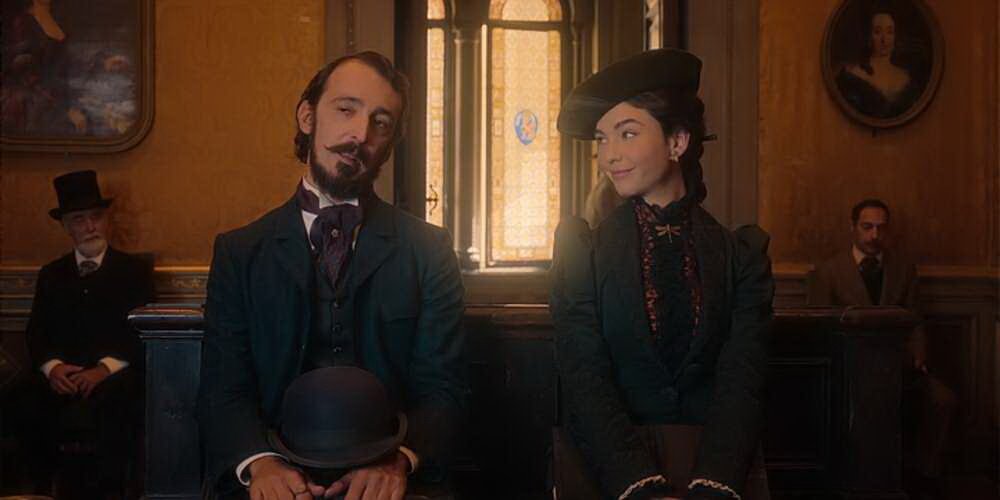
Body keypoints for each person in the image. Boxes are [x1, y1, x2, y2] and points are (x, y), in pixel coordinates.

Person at [197, 51, 466, 500]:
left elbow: (446, 388)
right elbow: (223, 389)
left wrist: (399, 460)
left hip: (393, 478)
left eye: (381, 122)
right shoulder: (239, 252)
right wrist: (260, 464)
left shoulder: (429, 250)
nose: (360, 134)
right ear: (307, 116)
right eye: (345, 109)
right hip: (273, 472)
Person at [549, 48, 774, 500]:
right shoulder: (582, 251)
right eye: (602, 139)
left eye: (628, 133)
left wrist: (712, 486)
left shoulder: (742, 255)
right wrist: (640, 489)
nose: (609, 156)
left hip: (717, 473)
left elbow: (742, 381)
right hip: (610, 474)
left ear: (678, 142)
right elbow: (584, 378)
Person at [809, 199, 956, 500]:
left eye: (880, 228)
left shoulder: (903, 270)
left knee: (942, 400)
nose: (874, 235)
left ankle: (923, 475)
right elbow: (819, 328)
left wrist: (919, 357)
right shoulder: (828, 272)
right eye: (867, 227)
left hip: (900, 368)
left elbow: (916, 320)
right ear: (853, 227)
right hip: (849, 374)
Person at [21, 169, 154, 498]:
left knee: (121, 400)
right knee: (25, 398)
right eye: (79, 220)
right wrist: (53, 369)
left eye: (96, 217)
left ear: (106, 221)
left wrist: (102, 370)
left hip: (115, 375)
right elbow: (36, 331)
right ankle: (40, 490)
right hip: (63, 377)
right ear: (66, 227)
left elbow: (142, 332)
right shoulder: (52, 274)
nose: (90, 226)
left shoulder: (134, 271)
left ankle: (113, 491)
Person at [835, 6, 921, 119]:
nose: (884, 39)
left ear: (895, 36)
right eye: (877, 32)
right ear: (868, 36)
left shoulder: (905, 78)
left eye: (890, 32)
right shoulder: (854, 74)